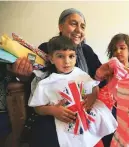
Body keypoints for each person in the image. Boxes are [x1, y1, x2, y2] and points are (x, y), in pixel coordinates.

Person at [8, 8, 107, 146]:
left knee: (105, 121)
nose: (79, 29)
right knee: (47, 132)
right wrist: (22, 75)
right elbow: (34, 81)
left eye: (82, 26)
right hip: (53, 109)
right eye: (73, 23)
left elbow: (98, 80)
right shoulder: (46, 48)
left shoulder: (86, 50)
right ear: (60, 26)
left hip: (83, 108)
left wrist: (93, 93)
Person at [28, 35, 117, 147]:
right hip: (68, 129)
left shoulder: (80, 73)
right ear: (51, 58)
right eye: (60, 56)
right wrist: (53, 111)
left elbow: (94, 86)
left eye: (71, 56)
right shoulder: (45, 84)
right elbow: (38, 107)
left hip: (88, 123)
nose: (67, 61)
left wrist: (93, 96)